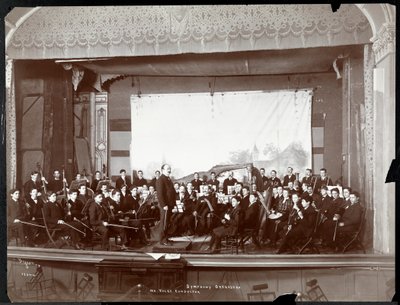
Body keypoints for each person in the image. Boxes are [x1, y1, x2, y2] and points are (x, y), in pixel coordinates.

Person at [155, 164, 176, 246]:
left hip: (169, 205)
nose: (169, 170)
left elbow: (172, 192)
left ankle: (166, 238)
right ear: (162, 170)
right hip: (165, 206)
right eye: (167, 169)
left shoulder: (168, 179)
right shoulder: (160, 179)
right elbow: (160, 194)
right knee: (164, 222)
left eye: (170, 169)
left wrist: (173, 204)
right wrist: (164, 205)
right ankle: (162, 240)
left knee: (167, 222)